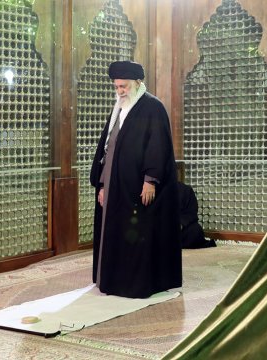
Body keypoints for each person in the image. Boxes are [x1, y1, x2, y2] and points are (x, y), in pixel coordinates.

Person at [89, 61, 181, 298]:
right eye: (116, 86)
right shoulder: (119, 107)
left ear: (138, 83)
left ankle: (135, 283)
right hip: (114, 184)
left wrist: (150, 180)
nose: (119, 91)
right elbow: (107, 147)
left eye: (124, 86)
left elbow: (158, 146)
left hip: (138, 187)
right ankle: (113, 279)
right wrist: (101, 184)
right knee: (114, 232)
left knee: (138, 234)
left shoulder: (153, 107)